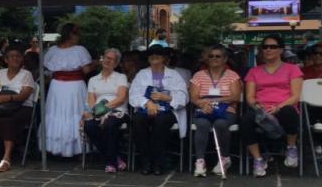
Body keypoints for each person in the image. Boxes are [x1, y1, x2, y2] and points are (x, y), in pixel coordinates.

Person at [240, 35, 303, 177]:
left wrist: (278, 107)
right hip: (261, 110)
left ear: (281, 50)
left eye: (273, 47)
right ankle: (258, 159)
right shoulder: (254, 71)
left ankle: (291, 147)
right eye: (265, 47)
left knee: (289, 111)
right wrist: (257, 107)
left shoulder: (292, 69)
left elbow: (295, 96)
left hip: (284, 108)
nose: (268, 49)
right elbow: (249, 97)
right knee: (245, 119)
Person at [129, 45, 188, 175]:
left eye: (158, 55)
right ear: (148, 59)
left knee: (161, 121)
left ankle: (158, 163)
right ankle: (145, 162)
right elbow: (133, 94)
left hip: (168, 110)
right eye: (151, 55)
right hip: (147, 108)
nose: (154, 57)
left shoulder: (174, 74)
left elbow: (183, 96)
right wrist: (147, 103)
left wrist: (168, 98)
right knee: (138, 120)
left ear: (163, 58)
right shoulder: (141, 74)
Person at [189, 44, 241, 177]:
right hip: (204, 109)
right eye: (211, 56)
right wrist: (202, 104)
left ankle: (224, 157)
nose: (214, 58)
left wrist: (214, 101)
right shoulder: (198, 75)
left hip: (226, 110)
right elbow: (194, 97)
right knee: (202, 124)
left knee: (220, 124)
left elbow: (235, 97)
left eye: (218, 56)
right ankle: (200, 161)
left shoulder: (232, 75)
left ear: (225, 59)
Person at [43, 23, 94, 157]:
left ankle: (56, 148)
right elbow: (86, 70)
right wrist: (95, 63)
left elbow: (48, 70)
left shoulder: (52, 50)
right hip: (75, 86)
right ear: (71, 35)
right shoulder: (80, 50)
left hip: (57, 86)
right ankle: (77, 148)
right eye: (77, 34)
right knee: (75, 113)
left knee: (57, 113)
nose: (79, 37)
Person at [83, 48, 130, 173]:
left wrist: (105, 109)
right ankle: (115, 159)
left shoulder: (120, 77)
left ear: (116, 63)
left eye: (111, 59)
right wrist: (95, 111)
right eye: (106, 57)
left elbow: (121, 98)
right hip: (98, 112)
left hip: (117, 111)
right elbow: (91, 100)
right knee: (89, 126)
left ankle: (110, 163)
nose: (107, 61)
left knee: (109, 124)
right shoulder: (93, 79)